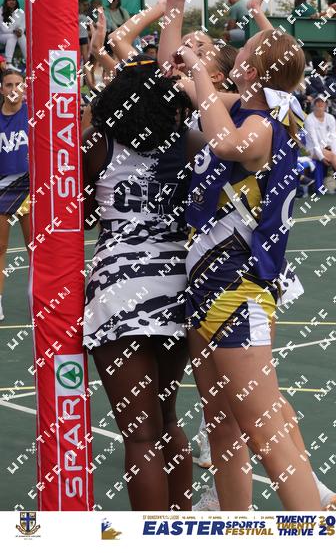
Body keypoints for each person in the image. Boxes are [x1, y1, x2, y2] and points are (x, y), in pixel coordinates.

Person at [158, 0, 322, 511]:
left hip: (239, 289)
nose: (232, 49)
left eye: (242, 48)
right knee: (222, 426)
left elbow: (228, 145)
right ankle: (235, 526)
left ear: (248, 68)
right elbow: (173, 74)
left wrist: (199, 72)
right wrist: (175, 5)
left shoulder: (264, 124)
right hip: (207, 287)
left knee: (266, 435)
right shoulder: (239, 106)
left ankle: (315, 530)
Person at [82, 51, 205, 511]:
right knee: (168, 418)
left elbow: (82, 217)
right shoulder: (190, 142)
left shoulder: (98, 144)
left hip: (118, 293)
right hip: (177, 289)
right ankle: (181, 526)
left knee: (140, 436)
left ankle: (150, 537)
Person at [0, 69, 30, 320]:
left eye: (18, 84)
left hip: (30, 187)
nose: (13, 89)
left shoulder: (34, 115)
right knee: (0, 247)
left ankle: (37, 297)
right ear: (1, 89)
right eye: (8, 85)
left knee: (35, 248)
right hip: (2, 187)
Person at [0, 0, 26, 68]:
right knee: (12, 36)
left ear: (16, 1)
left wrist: (20, 31)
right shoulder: (1, 11)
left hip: (16, 34)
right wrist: (14, 31)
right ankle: (8, 63)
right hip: (2, 35)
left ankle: (29, 61)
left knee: (21, 36)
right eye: (9, 0)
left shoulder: (20, 12)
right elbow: (4, 29)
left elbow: (23, 25)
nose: (11, 2)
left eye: (13, 0)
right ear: (6, 2)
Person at [78, 0, 90, 64]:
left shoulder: (83, 16)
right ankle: (85, 67)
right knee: (82, 54)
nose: (86, 7)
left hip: (83, 37)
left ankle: (86, 68)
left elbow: (91, 23)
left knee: (85, 54)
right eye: (84, 5)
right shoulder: (81, 16)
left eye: (87, 5)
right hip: (80, 37)